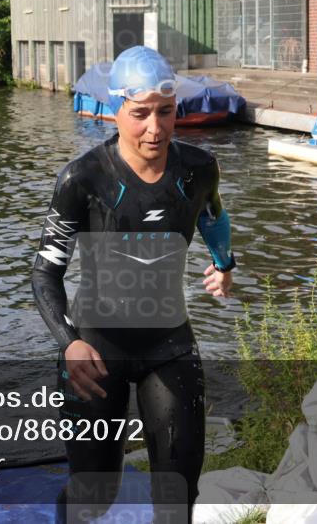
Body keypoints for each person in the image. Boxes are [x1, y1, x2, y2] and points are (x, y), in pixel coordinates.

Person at [31, 46, 235, 523]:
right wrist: (69, 345)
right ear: (115, 111)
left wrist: (225, 264)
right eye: (140, 114)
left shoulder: (198, 168)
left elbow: (212, 216)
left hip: (170, 345)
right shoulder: (83, 179)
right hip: (96, 352)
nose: (156, 128)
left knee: (178, 498)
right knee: (93, 496)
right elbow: (45, 271)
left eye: (166, 112)